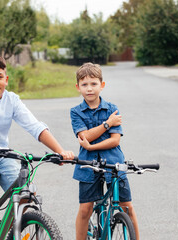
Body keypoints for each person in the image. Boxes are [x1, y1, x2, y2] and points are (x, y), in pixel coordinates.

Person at [0, 51, 74, 240]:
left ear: (6, 79)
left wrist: (59, 151)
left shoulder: (12, 100)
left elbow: (35, 126)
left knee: (27, 193)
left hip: (2, 157)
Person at [70, 62, 140, 240]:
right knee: (85, 208)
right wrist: (107, 124)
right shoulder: (76, 112)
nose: (89, 89)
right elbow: (85, 135)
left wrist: (92, 146)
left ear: (102, 85)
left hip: (114, 163)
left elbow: (114, 140)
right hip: (88, 166)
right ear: (78, 87)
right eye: (84, 85)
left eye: (94, 84)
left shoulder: (111, 108)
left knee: (127, 207)